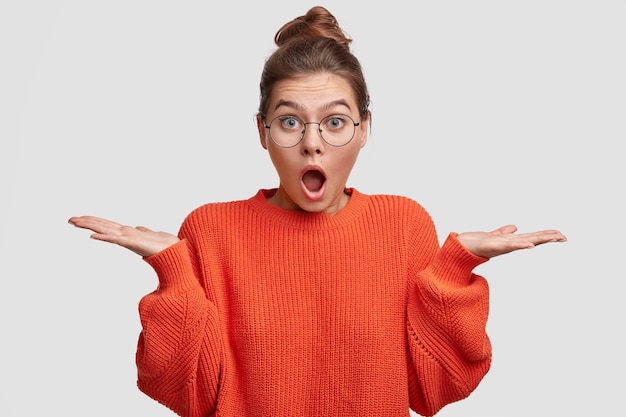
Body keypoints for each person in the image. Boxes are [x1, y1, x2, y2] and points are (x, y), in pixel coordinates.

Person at [68, 6, 566, 417]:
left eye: (334, 122)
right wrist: (173, 270)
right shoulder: (210, 230)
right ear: (262, 131)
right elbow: (186, 393)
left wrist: (454, 267)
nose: (312, 144)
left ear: (365, 128)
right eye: (289, 121)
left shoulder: (404, 226)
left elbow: (437, 388)